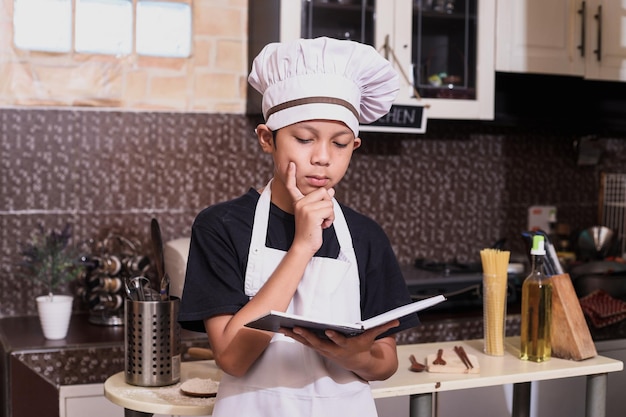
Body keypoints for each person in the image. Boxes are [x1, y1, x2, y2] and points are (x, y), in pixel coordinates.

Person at [178, 36, 419, 417]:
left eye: (340, 144)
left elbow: (386, 362)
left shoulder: (365, 235)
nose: (322, 158)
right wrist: (303, 246)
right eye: (304, 139)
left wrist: (358, 357)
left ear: (354, 146)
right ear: (266, 139)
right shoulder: (222, 226)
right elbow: (232, 358)